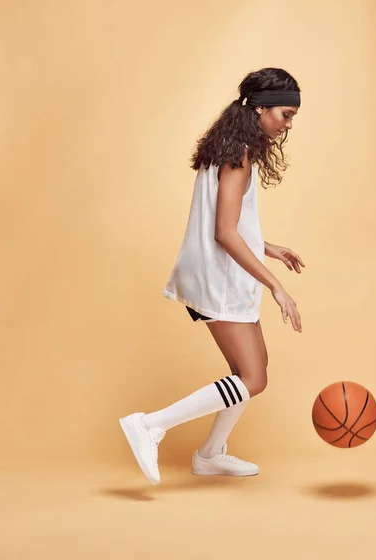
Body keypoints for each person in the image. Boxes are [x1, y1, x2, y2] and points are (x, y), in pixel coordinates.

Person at [119, 67, 305, 485]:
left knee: (251, 370)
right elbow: (224, 233)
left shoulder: (230, 147)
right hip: (219, 278)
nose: (288, 125)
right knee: (253, 378)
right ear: (260, 109)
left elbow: (227, 224)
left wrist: (269, 248)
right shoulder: (238, 154)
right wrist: (277, 287)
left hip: (213, 273)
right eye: (286, 114)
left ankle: (209, 455)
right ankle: (150, 425)